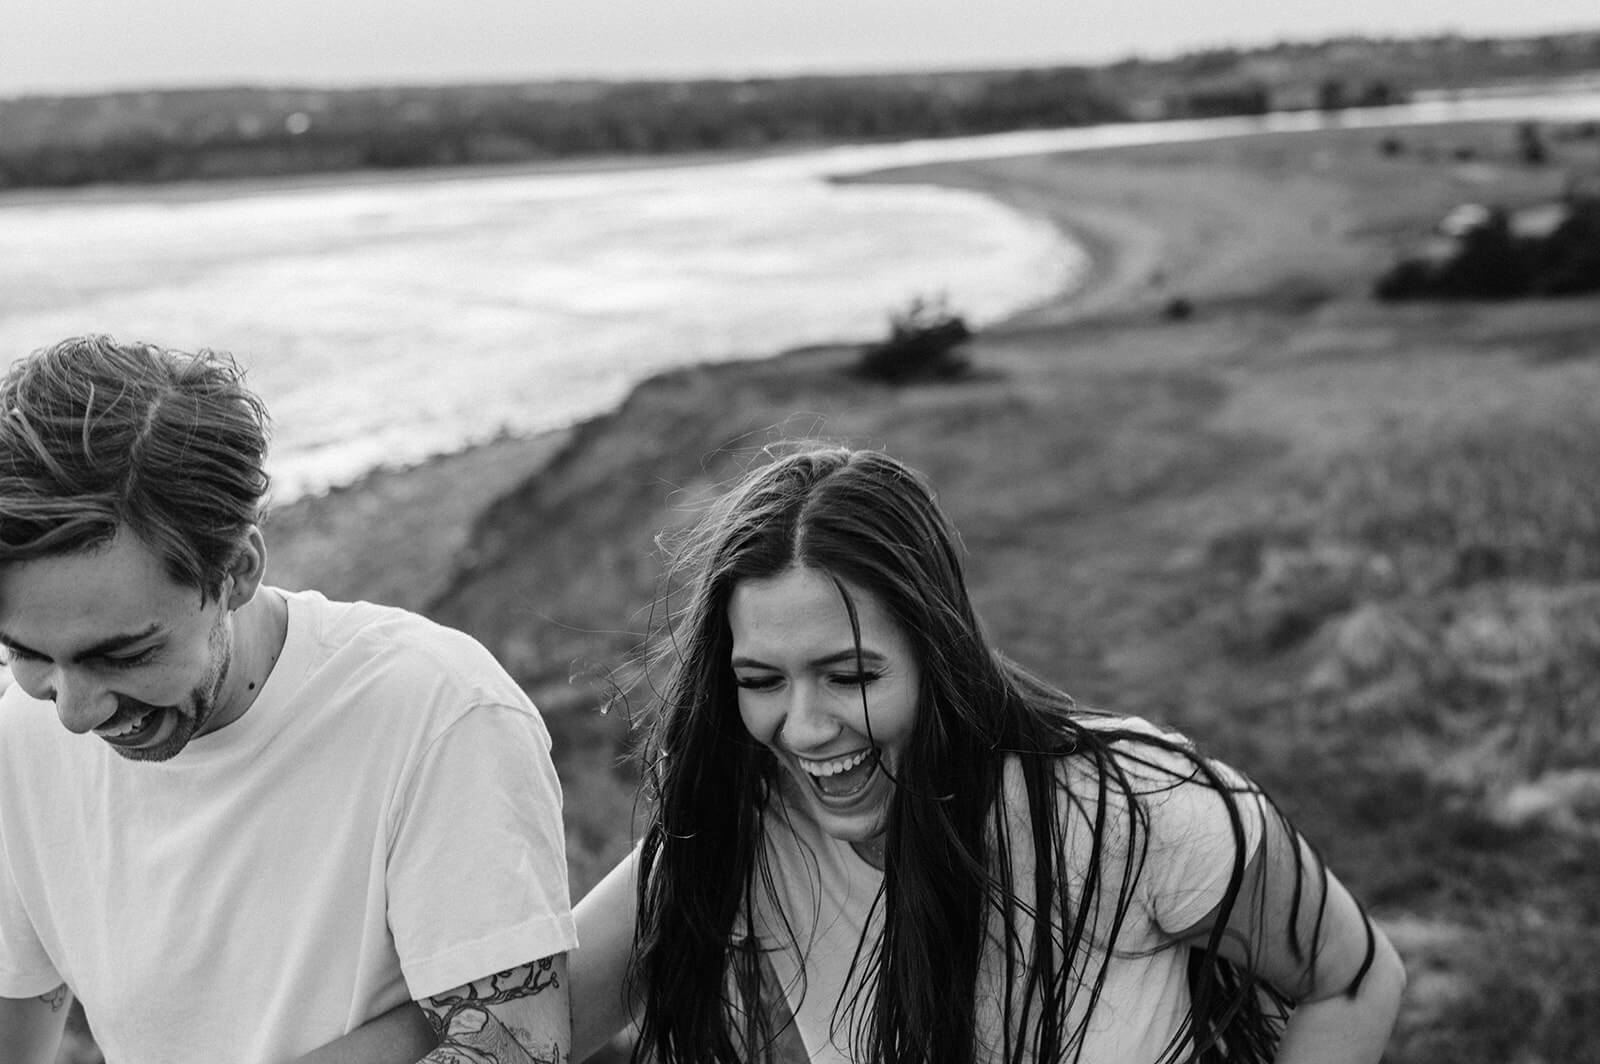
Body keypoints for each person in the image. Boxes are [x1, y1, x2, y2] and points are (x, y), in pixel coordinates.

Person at [570, 445, 1406, 1064]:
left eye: (849, 674)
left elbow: (1354, 979)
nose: (804, 726)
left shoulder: (1129, 808)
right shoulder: (734, 837)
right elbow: (521, 1023)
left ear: (940, 650)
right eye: (761, 680)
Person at [0, 336, 574, 1064]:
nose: (74, 713)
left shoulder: (437, 711)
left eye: (123, 654)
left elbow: (521, 1050)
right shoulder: (19, 734)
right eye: (26, 652)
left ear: (236, 570)